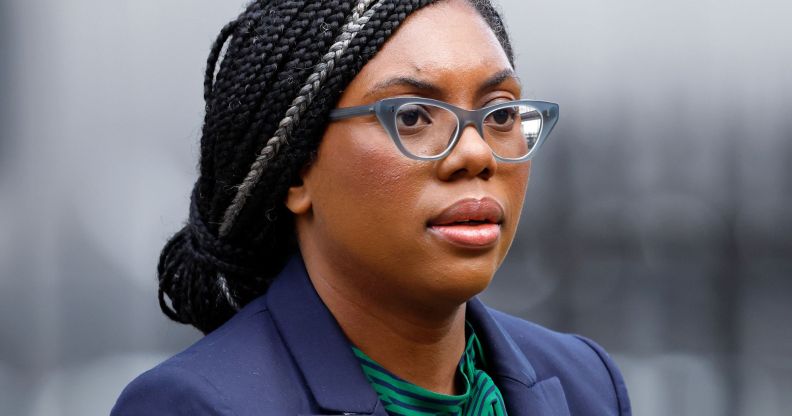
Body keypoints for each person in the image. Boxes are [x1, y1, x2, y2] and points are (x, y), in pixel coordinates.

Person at [112, 0, 631, 414]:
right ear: (296, 169)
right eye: (411, 116)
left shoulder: (587, 383)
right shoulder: (197, 405)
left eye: (500, 113)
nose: (475, 153)